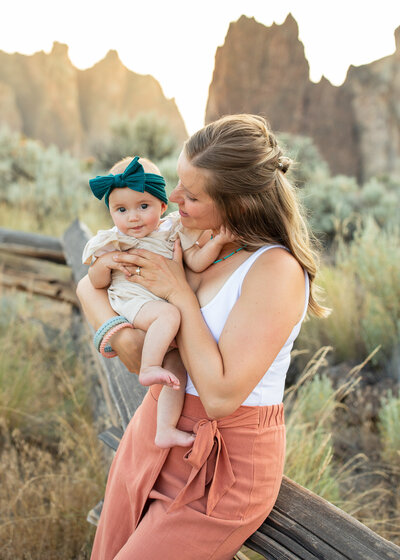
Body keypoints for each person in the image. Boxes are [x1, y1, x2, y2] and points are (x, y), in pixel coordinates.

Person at [76, 114, 328, 560]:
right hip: (155, 429)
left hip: (219, 463)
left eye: (191, 194)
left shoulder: (274, 270)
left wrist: (176, 293)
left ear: (240, 204)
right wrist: (116, 332)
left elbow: (219, 396)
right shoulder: (191, 237)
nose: (172, 199)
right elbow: (89, 286)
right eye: (177, 182)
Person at [82, 155, 234, 448]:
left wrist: (215, 243)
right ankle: (149, 365)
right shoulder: (112, 241)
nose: (133, 217)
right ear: (111, 213)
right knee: (168, 316)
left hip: (159, 305)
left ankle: (165, 428)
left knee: (177, 367)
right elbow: (95, 281)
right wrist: (107, 263)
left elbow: (195, 262)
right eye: (121, 210)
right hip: (133, 300)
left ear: (163, 206)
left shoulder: (173, 231)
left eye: (143, 206)